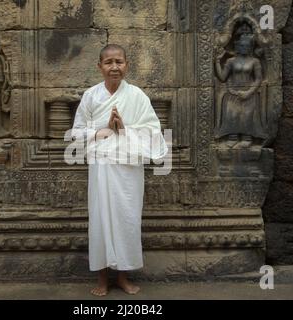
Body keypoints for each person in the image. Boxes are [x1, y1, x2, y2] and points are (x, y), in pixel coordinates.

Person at [71, 44, 168, 296]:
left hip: (128, 170)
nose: (114, 67)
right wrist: (102, 130)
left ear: (127, 65)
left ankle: (123, 276)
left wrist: (125, 129)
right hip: (101, 167)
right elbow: (76, 133)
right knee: (101, 219)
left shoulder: (137, 96)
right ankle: (102, 279)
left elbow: (154, 133)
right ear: (99, 66)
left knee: (127, 219)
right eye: (109, 62)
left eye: (119, 62)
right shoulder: (91, 96)